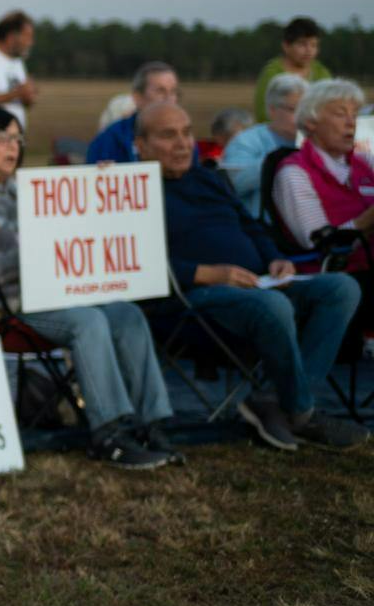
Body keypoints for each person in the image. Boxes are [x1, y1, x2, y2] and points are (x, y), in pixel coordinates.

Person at [0, 108, 175, 468]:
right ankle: (108, 431)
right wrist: (29, 255)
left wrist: (98, 189)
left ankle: (151, 422)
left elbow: (76, 227)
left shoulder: (28, 191)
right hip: (1, 305)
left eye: (17, 139)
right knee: (88, 321)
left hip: (56, 294)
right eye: (2, 138)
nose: (12, 147)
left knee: (126, 314)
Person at [140, 102, 364, 451]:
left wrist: (276, 259)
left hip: (257, 285)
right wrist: (209, 274)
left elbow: (252, 227)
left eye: (186, 133)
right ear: (140, 145)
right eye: (169, 136)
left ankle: (273, 399)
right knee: (272, 305)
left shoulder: (208, 178)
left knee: (341, 288)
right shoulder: (133, 190)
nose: (184, 144)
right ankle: (302, 413)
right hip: (190, 300)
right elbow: (137, 263)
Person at [271, 79, 374, 356]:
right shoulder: (294, 173)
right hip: (331, 278)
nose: (351, 123)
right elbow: (318, 242)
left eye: (354, 114)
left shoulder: (363, 164)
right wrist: (368, 219)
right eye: (340, 114)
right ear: (311, 122)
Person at [222, 74, 305, 216]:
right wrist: (276, 160)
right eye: (293, 109)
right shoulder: (246, 141)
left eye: (305, 109)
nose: (301, 116)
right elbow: (234, 184)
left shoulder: (315, 141)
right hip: (261, 229)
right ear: (272, 110)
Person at [86, 62, 180, 164]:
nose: (169, 99)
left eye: (173, 91)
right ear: (137, 97)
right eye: (160, 91)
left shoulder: (184, 139)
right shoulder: (109, 140)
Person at [253, 16, 330, 121]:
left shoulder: (321, 73)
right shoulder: (272, 74)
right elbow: (263, 113)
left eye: (314, 45)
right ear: (286, 46)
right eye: (302, 44)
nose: (309, 50)